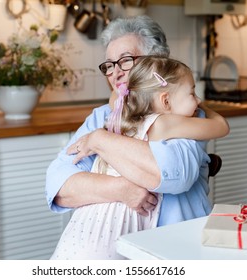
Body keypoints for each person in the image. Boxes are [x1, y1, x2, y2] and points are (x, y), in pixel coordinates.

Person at [46, 15, 227, 234]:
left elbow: (173, 175)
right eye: (110, 65)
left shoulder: (182, 113)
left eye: (126, 60)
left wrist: (100, 140)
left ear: (158, 64)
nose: (116, 73)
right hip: (110, 247)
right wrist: (120, 189)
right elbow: (58, 185)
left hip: (172, 246)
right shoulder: (102, 116)